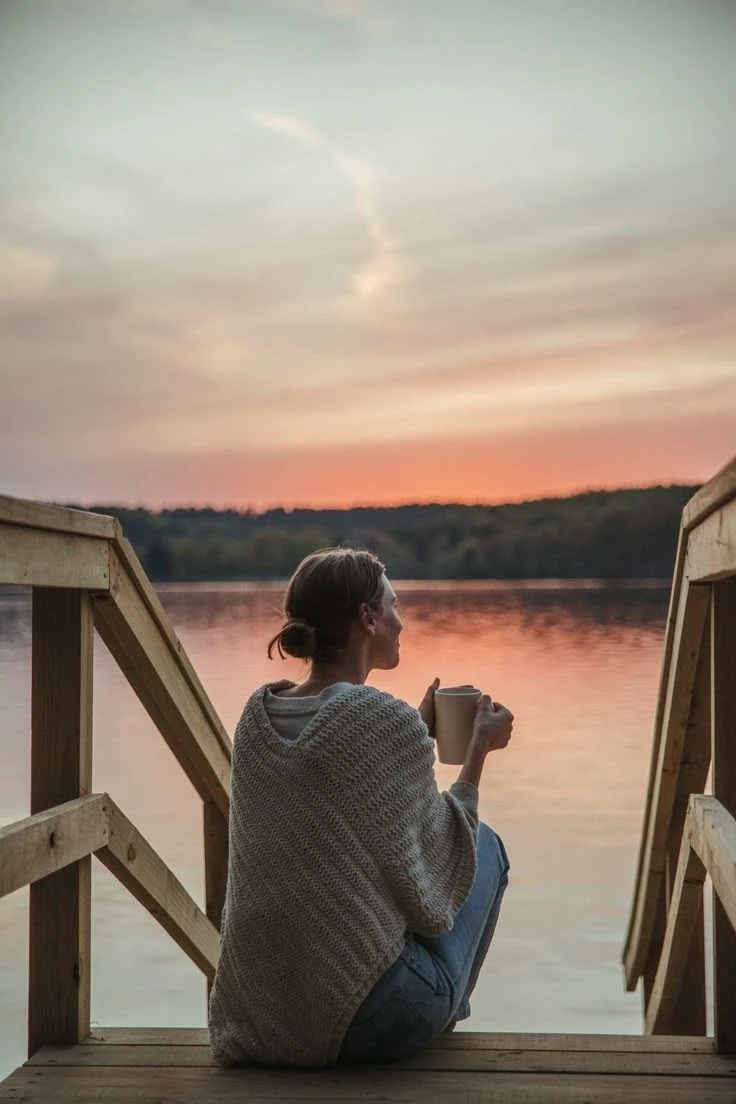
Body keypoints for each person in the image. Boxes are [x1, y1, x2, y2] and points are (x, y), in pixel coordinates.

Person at [208, 546, 513, 1068]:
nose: (402, 619)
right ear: (367, 618)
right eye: (393, 605)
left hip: (260, 1019)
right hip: (371, 1022)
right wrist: (477, 750)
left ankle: (436, 1002)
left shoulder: (255, 720)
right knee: (485, 845)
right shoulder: (378, 720)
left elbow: (355, 814)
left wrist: (412, 737)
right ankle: (444, 1006)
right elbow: (436, 883)